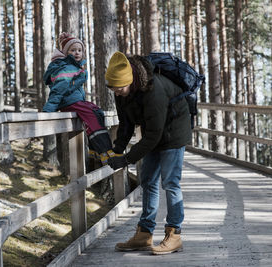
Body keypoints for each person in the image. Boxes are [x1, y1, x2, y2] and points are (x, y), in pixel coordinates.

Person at [105, 51, 192, 255]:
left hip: (174, 133)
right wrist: (117, 150)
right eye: (113, 89)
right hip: (154, 131)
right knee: (148, 180)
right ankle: (144, 234)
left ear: (131, 81)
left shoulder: (154, 91)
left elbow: (153, 136)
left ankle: (174, 234)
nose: (116, 93)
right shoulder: (122, 92)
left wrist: (127, 159)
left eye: (119, 89)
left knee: (170, 182)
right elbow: (126, 123)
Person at [43, 32, 115, 164]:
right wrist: (49, 110)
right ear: (66, 53)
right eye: (73, 50)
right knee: (90, 114)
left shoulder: (73, 67)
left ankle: (95, 151)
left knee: (97, 111)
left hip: (75, 101)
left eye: (79, 50)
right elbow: (58, 89)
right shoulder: (66, 68)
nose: (77, 53)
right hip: (69, 102)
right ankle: (104, 150)